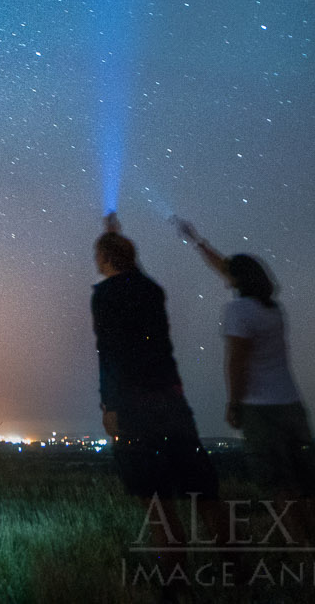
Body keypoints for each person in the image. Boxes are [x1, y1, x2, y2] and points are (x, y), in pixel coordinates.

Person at [175, 218, 315, 515]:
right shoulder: (273, 310)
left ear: (239, 280)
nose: (224, 275)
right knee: (311, 480)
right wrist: (197, 241)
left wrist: (234, 404)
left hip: (260, 409)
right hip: (291, 404)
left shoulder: (239, 311)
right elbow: (225, 267)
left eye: (230, 274)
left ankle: (300, 547)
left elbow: (237, 362)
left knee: (277, 483)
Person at [92, 212, 222, 553]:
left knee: (156, 501)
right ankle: (238, 572)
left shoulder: (104, 295)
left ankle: (175, 585)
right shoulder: (151, 290)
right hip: (170, 398)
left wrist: (109, 404)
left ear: (105, 258)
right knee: (202, 492)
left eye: (99, 255)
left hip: (134, 404)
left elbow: (108, 351)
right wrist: (115, 237)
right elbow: (137, 277)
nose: (96, 262)